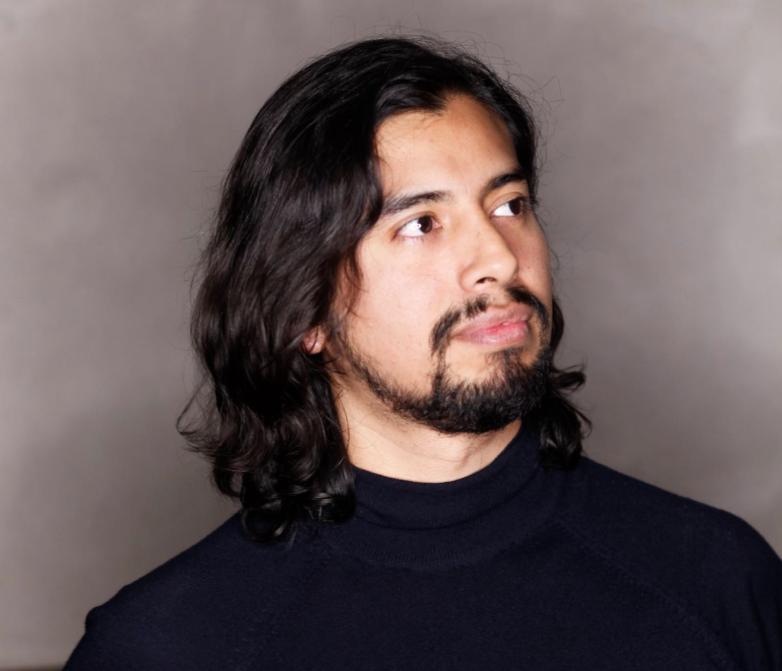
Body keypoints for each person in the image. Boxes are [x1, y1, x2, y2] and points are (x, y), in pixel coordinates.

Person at [64, 35, 782, 670]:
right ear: (303, 312)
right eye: (422, 224)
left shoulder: (717, 579)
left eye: (509, 205)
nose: (498, 258)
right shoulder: (166, 645)